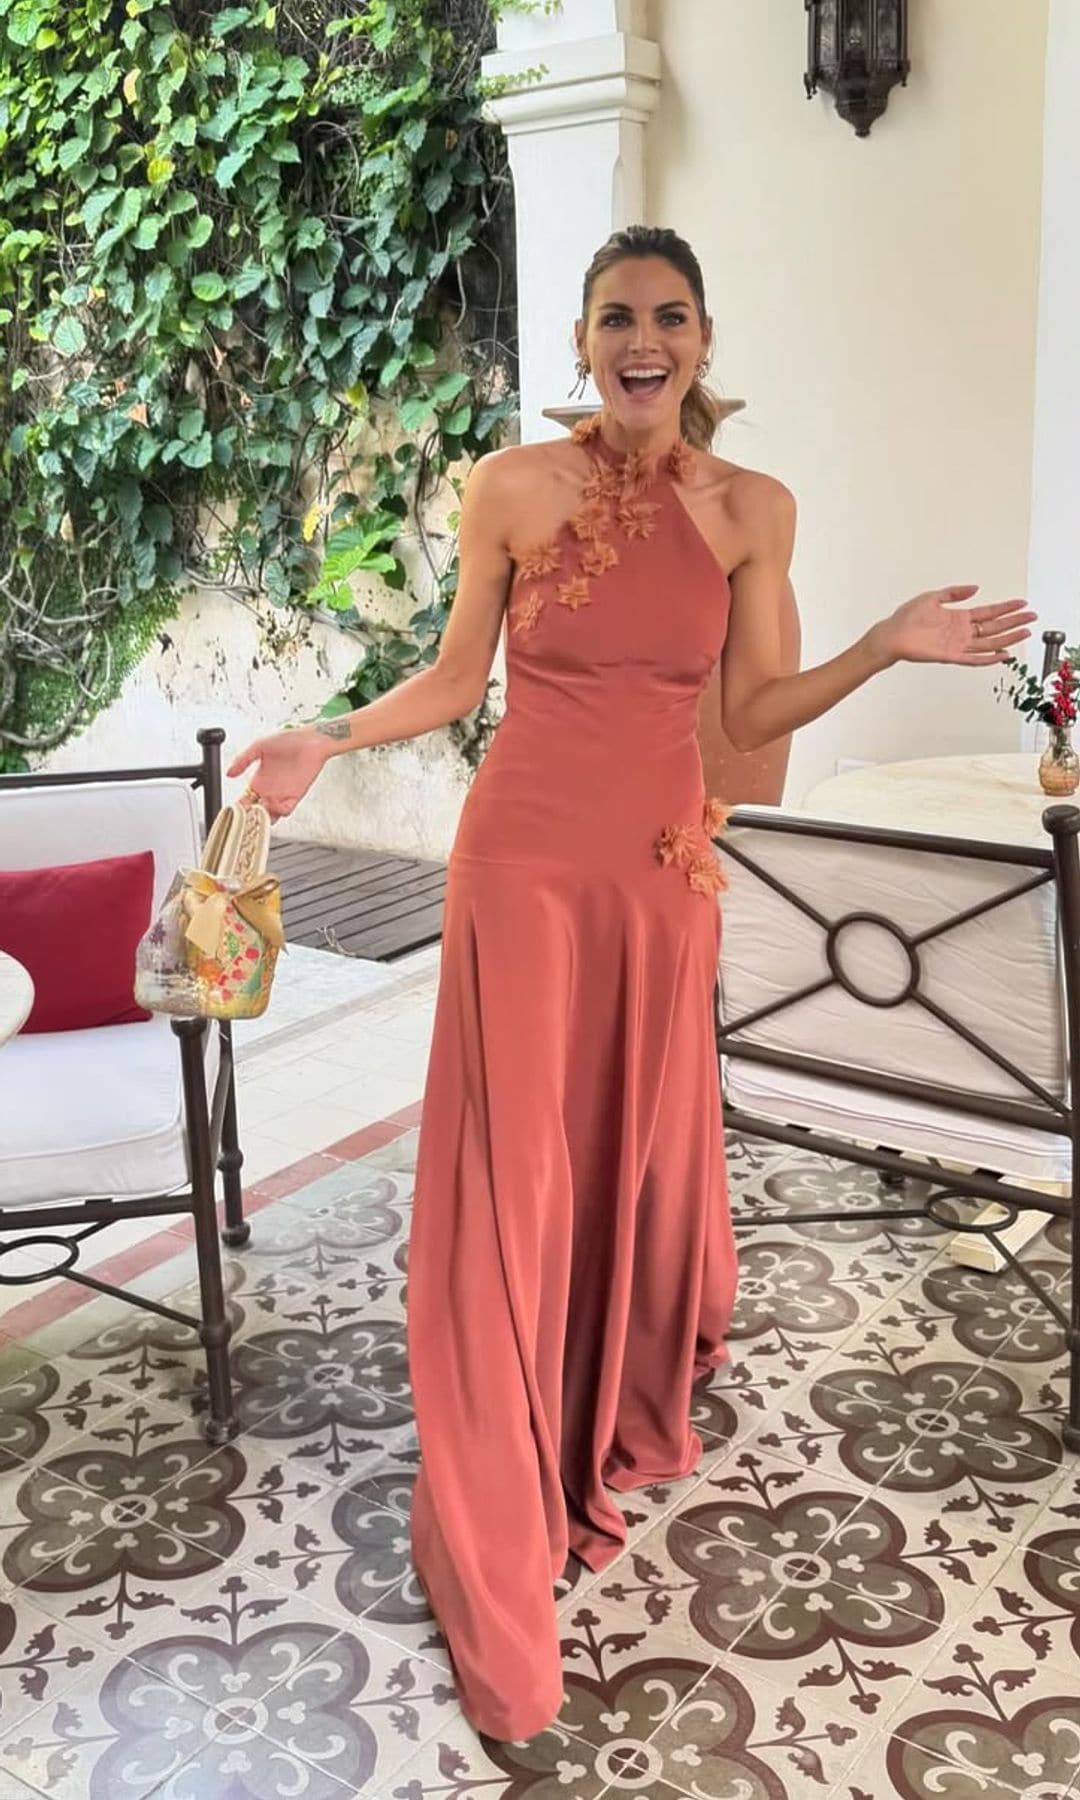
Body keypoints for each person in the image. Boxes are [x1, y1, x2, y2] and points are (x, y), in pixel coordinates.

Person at [227, 226, 1034, 1744]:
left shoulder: (753, 510)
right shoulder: (512, 487)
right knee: (517, 1165)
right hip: (523, 864)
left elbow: (756, 706)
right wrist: (324, 738)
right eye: (616, 318)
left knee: (623, 1145)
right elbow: (457, 681)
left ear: (704, 340)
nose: (642, 341)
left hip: (658, 879)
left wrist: (883, 644)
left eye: (668, 317)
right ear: (585, 340)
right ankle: (503, 1446)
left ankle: (607, 1375)